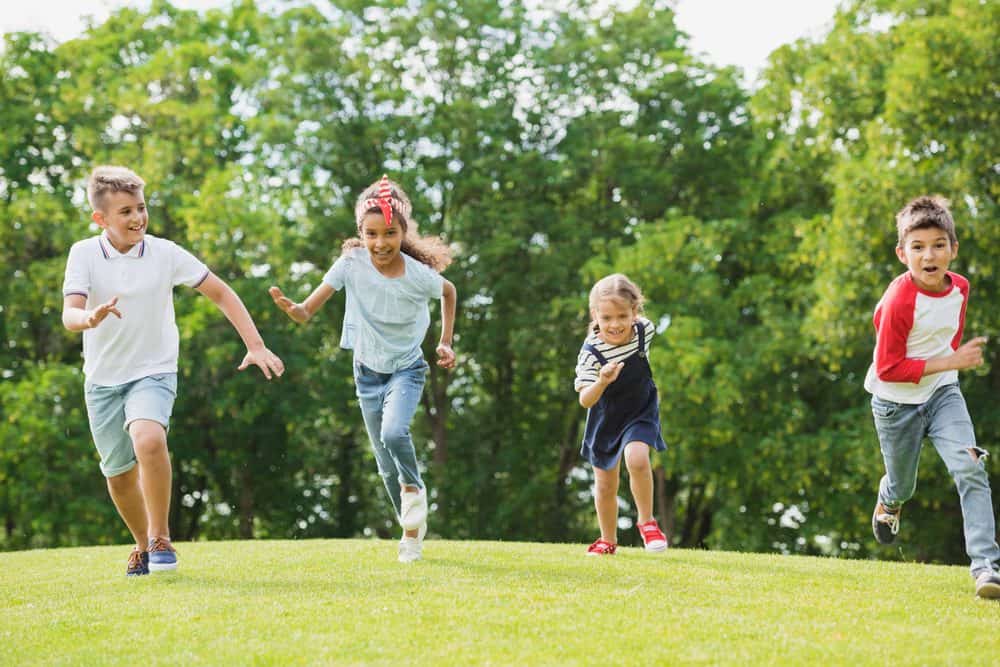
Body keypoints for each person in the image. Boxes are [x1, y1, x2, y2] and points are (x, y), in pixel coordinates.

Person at [62, 165, 285, 576]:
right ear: (101, 219)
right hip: (103, 380)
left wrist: (255, 345)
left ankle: (161, 537)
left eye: (141, 208)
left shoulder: (165, 253)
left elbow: (220, 291)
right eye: (125, 211)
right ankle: (140, 543)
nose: (137, 218)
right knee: (118, 473)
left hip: (154, 369)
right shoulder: (84, 254)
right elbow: (70, 314)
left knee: (148, 440)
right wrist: (88, 318)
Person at [269, 175, 456, 563]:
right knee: (385, 466)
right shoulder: (351, 263)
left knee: (394, 431)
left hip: (406, 369)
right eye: (371, 234)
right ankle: (412, 529)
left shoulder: (418, 275)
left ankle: (414, 499)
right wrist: (297, 311)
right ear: (361, 232)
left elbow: (449, 292)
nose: (380, 243)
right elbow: (309, 307)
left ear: (403, 232)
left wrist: (445, 340)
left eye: (390, 233)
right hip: (366, 373)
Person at [865, 195, 1000, 599]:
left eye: (939, 244)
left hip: (943, 395)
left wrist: (949, 366)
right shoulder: (898, 302)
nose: (930, 255)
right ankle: (888, 501)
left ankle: (986, 568)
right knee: (903, 486)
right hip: (894, 405)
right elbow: (889, 368)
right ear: (902, 253)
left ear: (953, 249)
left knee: (971, 466)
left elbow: (946, 336)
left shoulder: (960, 287)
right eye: (918, 247)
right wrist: (952, 361)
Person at [575, 273, 668, 555]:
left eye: (622, 316)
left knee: (637, 459)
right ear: (595, 315)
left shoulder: (644, 331)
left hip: (640, 410)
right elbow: (585, 400)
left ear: (634, 312)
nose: (615, 325)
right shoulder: (590, 353)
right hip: (605, 417)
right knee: (605, 485)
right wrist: (602, 381)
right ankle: (607, 539)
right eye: (606, 318)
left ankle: (647, 522)